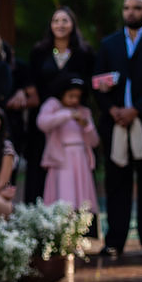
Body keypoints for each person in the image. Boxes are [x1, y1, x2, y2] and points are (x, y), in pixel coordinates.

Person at [94, 0, 142, 258]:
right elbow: (97, 82)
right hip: (116, 124)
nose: (131, 12)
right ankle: (114, 241)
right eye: (126, 8)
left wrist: (136, 109)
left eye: (137, 8)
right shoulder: (109, 44)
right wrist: (112, 110)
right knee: (116, 185)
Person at [23, 7, 95, 203]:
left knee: (73, 171)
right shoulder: (39, 52)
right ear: (50, 25)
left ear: (73, 24)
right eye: (56, 21)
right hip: (45, 119)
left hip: (74, 122)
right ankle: (38, 219)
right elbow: (31, 81)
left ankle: (79, 222)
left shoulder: (84, 52)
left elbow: (91, 82)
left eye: (65, 20)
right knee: (39, 167)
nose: (60, 25)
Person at [37, 74, 100, 216]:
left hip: (81, 159)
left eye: (77, 97)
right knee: (65, 194)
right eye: (70, 96)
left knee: (81, 198)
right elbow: (42, 123)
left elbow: (94, 141)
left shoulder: (84, 112)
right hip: (62, 158)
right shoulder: (53, 105)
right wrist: (68, 115)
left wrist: (86, 125)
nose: (74, 100)